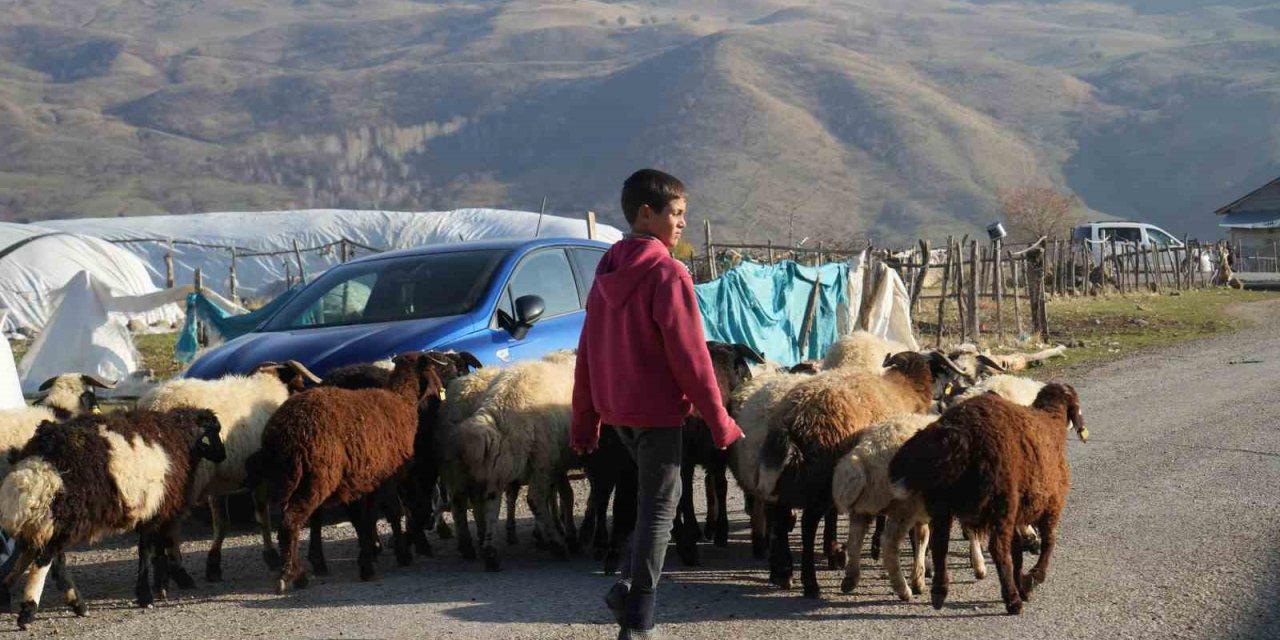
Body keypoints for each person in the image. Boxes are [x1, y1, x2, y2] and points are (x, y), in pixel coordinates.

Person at [571, 169, 744, 639]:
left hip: (617, 411)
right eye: (678, 214)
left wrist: (585, 421)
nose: (684, 222)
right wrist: (720, 420)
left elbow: (587, 350)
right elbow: (692, 358)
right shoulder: (668, 272)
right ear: (648, 213)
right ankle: (638, 617)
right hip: (658, 413)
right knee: (659, 511)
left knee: (651, 502)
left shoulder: (608, 267)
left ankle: (628, 594)